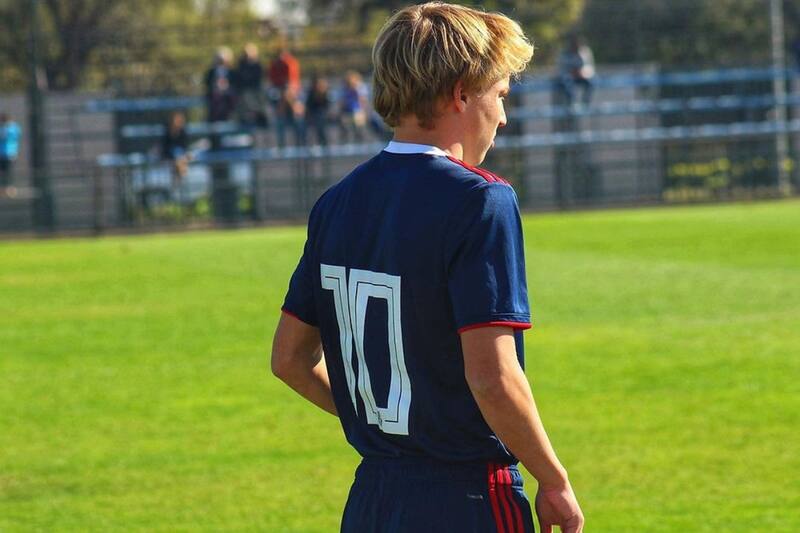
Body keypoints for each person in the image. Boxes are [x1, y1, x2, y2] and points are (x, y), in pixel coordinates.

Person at [271, 3, 584, 533]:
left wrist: (383, 424)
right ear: (461, 92)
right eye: (500, 95)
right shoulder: (479, 199)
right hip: (466, 497)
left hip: (372, 498)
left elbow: (289, 359)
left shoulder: (337, 202)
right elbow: (492, 377)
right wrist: (553, 480)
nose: (504, 116)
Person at [555, 35, 595, 107]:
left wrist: (583, 72)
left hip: (582, 77)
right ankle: (571, 105)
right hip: (569, 78)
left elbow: (590, 68)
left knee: (591, 83)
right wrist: (571, 72)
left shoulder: (585, 52)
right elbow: (561, 69)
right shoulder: (564, 54)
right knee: (568, 86)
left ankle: (585, 105)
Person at [235, 43, 267, 127]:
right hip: (245, 92)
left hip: (255, 91)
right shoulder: (241, 64)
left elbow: (258, 78)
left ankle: (259, 117)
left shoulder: (258, 65)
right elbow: (239, 78)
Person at [204, 47, 237, 122]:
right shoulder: (211, 72)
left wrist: (227, 86)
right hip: (215, 97)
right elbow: (207, 83)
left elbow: (235, 83)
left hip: (227, 98)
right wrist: (216, 85)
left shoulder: (232, 72)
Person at [339, 70, 369, 143]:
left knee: (360, 128)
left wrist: (356, 90)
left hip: (358, 111)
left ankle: (362, 142)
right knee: (347, 128)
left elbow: (363, 101)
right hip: (347, 111)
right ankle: (347, 143)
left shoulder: (360, 87)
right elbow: (341, 102)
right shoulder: (344, 89)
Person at [305, 74, 332, 146]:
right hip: (313, 115)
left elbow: (327, 106)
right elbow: (309, 106)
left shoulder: (326, 93)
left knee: (321, 122)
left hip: (323, 114)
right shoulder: (311, 93)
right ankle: (314, 144)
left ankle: (324, 143)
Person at [0, 113, 21, 190]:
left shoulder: (12, 128)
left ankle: (9, 187)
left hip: (10, 153)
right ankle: (3, 187)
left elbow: (11, 135)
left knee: (8, 171)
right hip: (1, 153)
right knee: (2, 172)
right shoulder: (2, 128)